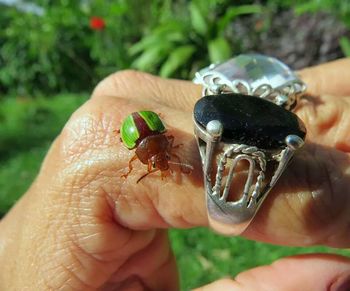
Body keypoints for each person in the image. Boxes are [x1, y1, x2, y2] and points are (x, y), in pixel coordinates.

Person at [0, 58, 350, 291]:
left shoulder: (153, 144)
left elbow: (156, 146)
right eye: (154, 162)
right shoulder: (146, 149)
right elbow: (152, 149)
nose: (159, 163)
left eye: (160, 159)